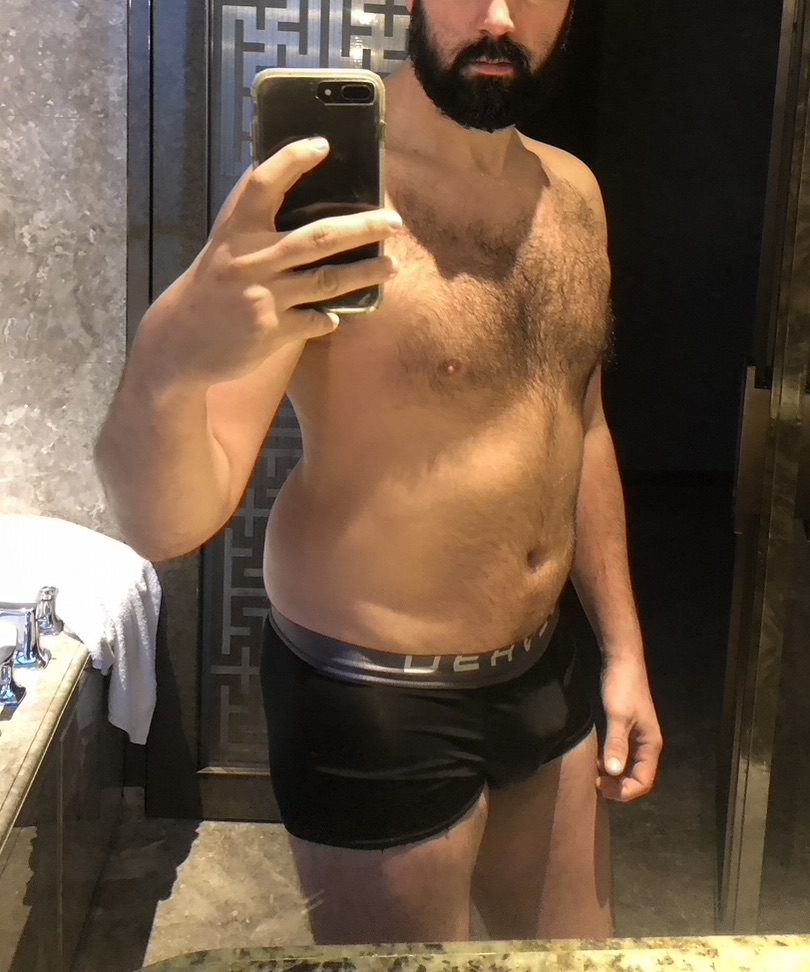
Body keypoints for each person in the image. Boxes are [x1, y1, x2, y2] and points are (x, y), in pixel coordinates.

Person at [95, 0, 663, 947]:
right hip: (373, 698)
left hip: (542, 667)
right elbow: (167, 522)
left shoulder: (575, 195)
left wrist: (625, 651)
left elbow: (584, 425)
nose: (498, 17)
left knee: (575, 963)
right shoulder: (330, 202)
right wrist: (167, 362)